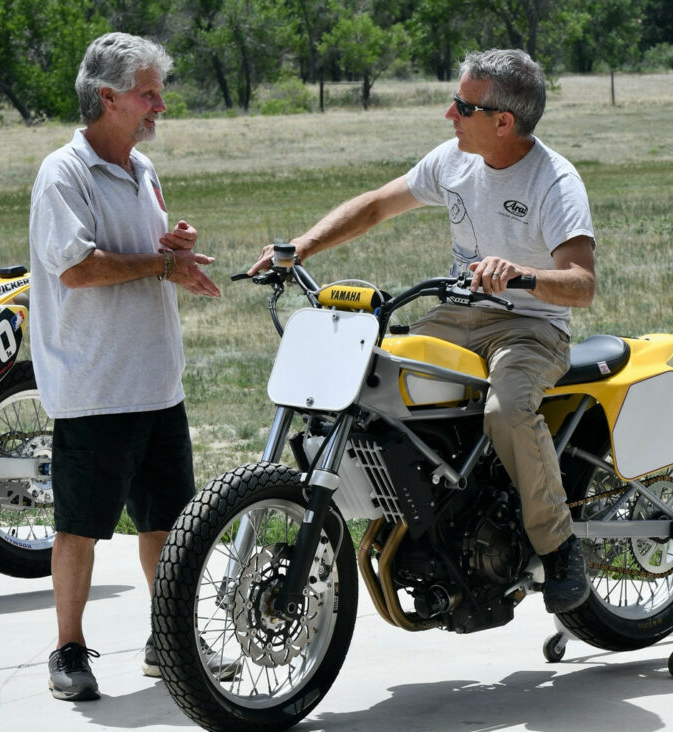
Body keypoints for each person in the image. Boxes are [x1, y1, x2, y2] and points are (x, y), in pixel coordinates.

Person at [248, 48, 596, 616]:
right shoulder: (453, 161)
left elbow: (581, 283)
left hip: (531, 327)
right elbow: (376, 206)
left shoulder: (554, 182)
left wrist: (521, 275)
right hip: (457, 316)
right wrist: (302, 246)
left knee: (506, 412)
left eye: (463, 104)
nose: (448, 114)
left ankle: (559, 547)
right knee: (374, 378)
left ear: (503, 121)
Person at [30, 32, 224, 702]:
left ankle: (167, 640)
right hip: (94, 387)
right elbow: (79, 267)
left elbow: (142, 259)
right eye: (147, 93)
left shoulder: (143, 170)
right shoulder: (65, 172)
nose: (159, 106)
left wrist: (176, 255)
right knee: (80, 528)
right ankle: (68, 650)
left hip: (155, 383)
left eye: (159, 93)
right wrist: (161, 264)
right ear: (106, 97)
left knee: (167, 525)